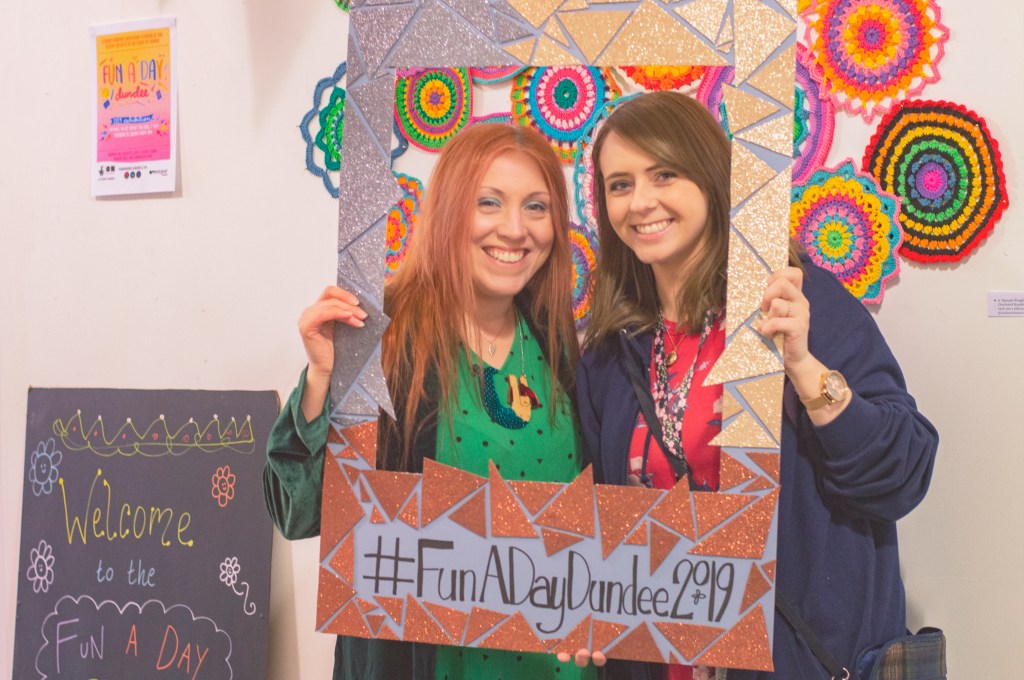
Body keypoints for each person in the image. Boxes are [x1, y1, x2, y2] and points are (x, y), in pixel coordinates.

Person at [572, 91, 939, 679]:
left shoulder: (798, 305)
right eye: (620, 184)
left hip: (800, 660)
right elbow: (602, 525)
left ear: (709, 178)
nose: (640, 202)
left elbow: (903, 477)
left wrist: (806, 369)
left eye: (663, 174)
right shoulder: (610, 357)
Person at [263, 123, 598, 680]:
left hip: (555, 666)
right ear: (448, 210)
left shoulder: (557, 343)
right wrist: (322, 377)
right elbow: (297, 511)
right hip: (429, 663)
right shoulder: (385, 341)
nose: (516, 229)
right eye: (488, 202)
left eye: (536, 207)